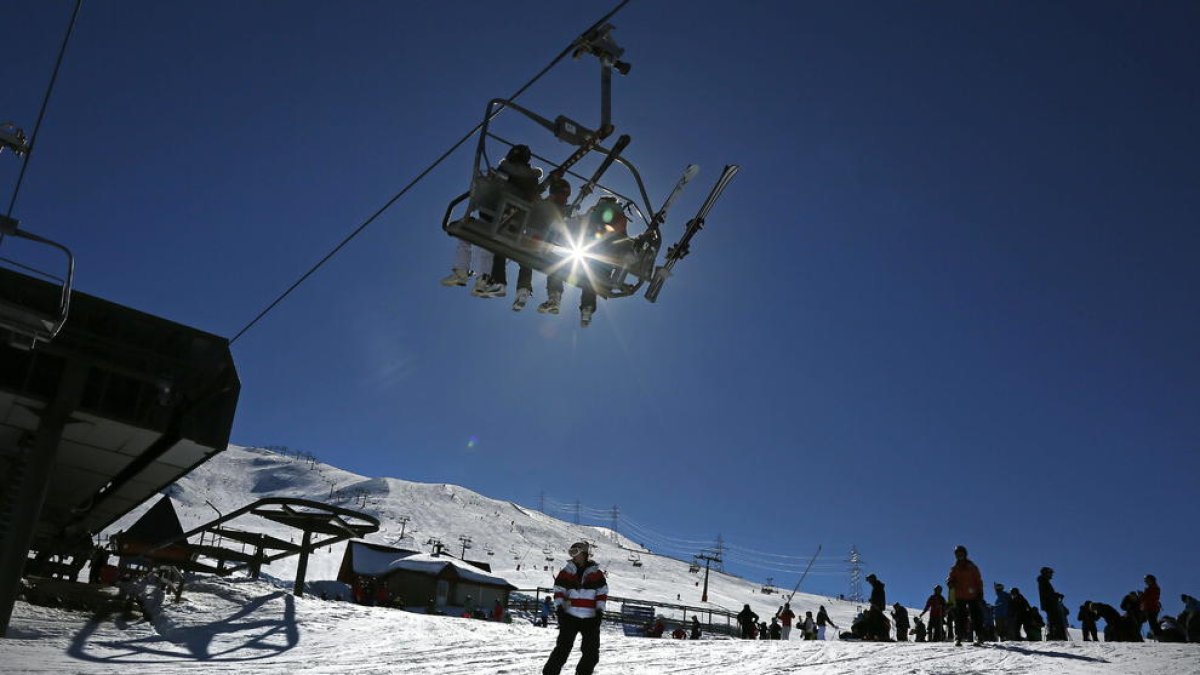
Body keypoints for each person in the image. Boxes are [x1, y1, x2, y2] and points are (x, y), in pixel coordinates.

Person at [441, 144, 543, 295]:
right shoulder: (532, 179)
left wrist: (487, 184)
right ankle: (482, 278)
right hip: (516, 220)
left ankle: (463, 271)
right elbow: (532, 198)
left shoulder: (506, 169)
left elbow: (498, 187)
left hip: (496, 213)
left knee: (471, 234)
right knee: (484, 241)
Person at [539, 195, 629, 327]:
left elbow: (574, 226)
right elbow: (624, 246)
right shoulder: (621, 222)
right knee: (592, 279)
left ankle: (554, 296)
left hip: (585, 261)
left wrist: (557, 225)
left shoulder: (594, 214)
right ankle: (587, 309)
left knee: (557, 264)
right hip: (603, 271)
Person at [543, 541, 608, 675]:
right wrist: (560, 609)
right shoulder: (566, 572)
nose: (573, 556)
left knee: (591, 652)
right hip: (570, 616)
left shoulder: (597, 574)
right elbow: (559, 591)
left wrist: (599, 612)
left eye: (575, 552)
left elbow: (602, 593)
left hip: (590, 618)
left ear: (584, 553)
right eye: (571, 552)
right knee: (562, 648)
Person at [512, 175, 572, 311]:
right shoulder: (549, 206)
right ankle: (524, 291)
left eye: (567, 195)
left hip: (543, 244)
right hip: (536, 239)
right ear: (555, 193)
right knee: (529, 260)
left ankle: (553, 297)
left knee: (554, 264)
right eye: (564, 194)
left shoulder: (558, 208)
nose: (566, 198)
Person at [947, 545, 986, 646]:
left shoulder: (972, 567)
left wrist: (980, 592)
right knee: (960, 616)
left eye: (961, 553)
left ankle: (979, 636)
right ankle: (958, 636)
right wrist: (950, 582)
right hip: (960, 595)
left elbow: (978, 580)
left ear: (965, 554)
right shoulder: (954, 568)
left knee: (975, 615)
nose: (959, 555)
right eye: (957, 554)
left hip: (973, 595)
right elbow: (951, 577)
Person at [1037, 567, 1065, 640]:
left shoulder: (1044, 581)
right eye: (1050, 573)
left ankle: (1055, 635)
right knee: (1054, 620)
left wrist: (1056, 595)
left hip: (1049, 604)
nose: (1051, 575)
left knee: (1053, 619)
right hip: (1049, 604)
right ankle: (1055, 636)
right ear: (1046, 573)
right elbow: (1047, 593)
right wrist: (1056, 595)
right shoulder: (1043, 581)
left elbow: (1048, 593)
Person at [866, 574, 889, 640]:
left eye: (869, 580)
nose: (869, 582)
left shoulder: (877, 586)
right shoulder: (876, 586)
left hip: (876, 607)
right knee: (873, 620)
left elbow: (880, 598)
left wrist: (877, 604)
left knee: (875, 621)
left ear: (872, 579)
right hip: (876, 606)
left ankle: (877, 636)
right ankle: (873, 635)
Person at [1141, 574, 1162, 639]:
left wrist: (1143, 595)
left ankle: (1159, 636)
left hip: (1151, 608)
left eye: (1146, 580)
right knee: (1153, 623)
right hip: (1151, 608)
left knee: (1153, 623)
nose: (1145, 582)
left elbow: (1149, 598)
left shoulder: (1153, 588)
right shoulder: (1154, 588)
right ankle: (1158, 636)